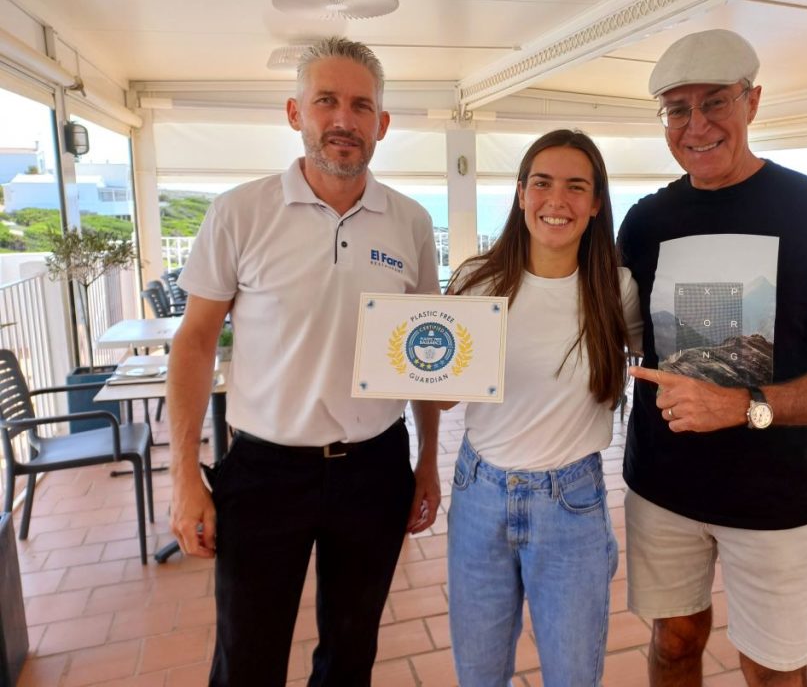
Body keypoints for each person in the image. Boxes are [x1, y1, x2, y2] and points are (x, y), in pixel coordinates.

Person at [167, 37, 442, 687]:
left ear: (382, 124)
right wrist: (184, 476)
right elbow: (195, 341)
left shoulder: (410, 222)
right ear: (296, 112)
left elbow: (427, 350)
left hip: (375, 467)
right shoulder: (240, 211)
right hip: (264, 472)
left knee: (351, 658)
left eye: (360, 105)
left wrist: (428, 463)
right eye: (327, 101)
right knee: (247, 659)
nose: (344, 119)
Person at [616, 29, 807, 687]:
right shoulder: (644, 222)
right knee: (674, 642)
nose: (696, 125)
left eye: (715, 102)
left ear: (753, 101)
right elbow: (610, 330)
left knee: (772, 667)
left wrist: (745, 407)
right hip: (662, 482)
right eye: (678, 109)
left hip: (773, 493)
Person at [443, 129, 642, 685]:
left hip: (571, 504)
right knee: (479, 675)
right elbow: (444, 386)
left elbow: (663, 364)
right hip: (478, 494)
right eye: (542, 184)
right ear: (520, 193)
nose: (557, 201)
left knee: (574, 675)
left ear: (597, 203)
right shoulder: (475, 281)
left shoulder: (615, 290)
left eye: (576, 187)